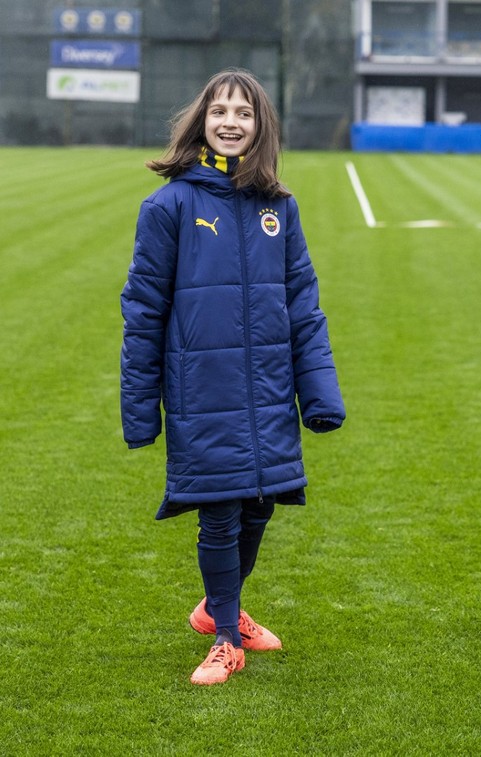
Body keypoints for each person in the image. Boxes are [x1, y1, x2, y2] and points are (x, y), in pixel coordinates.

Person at [120, 69, 345, 686]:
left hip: (268, 389)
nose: (230, 121)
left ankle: (218, 607)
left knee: (259, 506)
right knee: (218, 514)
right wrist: (142, 410)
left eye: (244, 113)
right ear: (201, 121)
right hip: (204, 392)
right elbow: (142, 312)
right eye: (219, 111)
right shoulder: (169, 206)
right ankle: (224, 638)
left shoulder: (279, 207)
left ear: (260, 127)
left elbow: (303, 301)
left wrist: (319, 393)